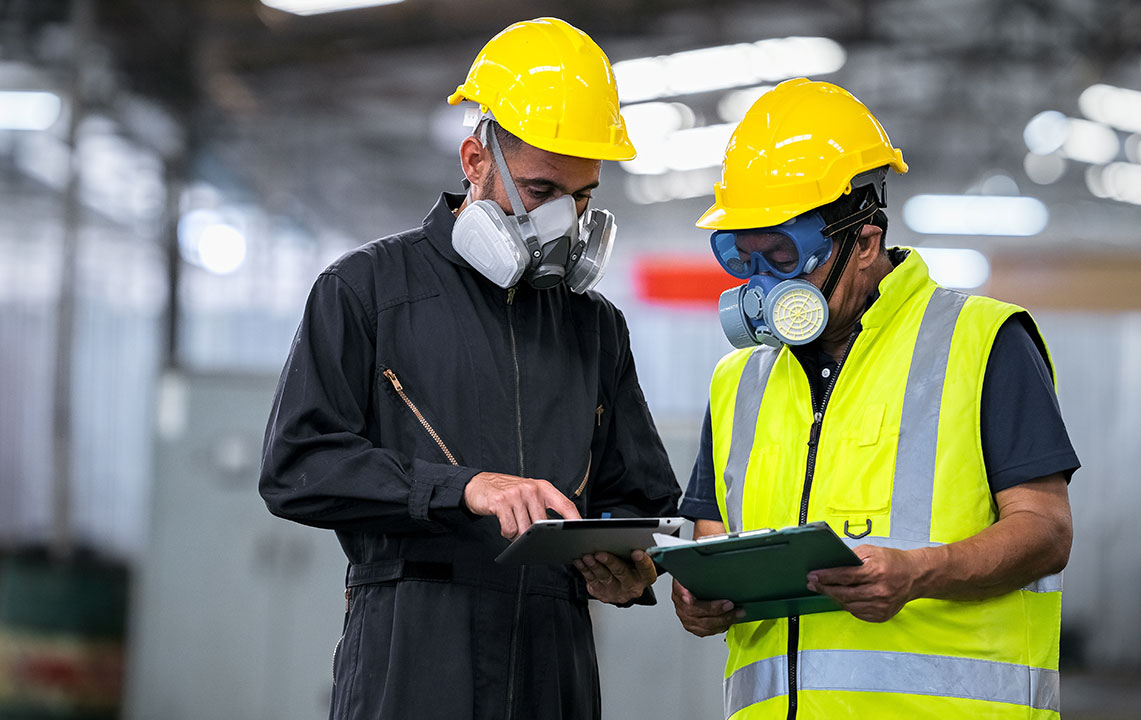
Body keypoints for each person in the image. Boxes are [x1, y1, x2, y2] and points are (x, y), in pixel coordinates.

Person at [259, 17, 682, 720]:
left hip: (554, 666)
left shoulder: (595, 328)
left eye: (582, 200)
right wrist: (461, 489)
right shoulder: (365, 291)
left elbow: (641, 499)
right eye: (542, 193)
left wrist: (632, 570)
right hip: (413, 657)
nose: (565, 225)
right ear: (475, 161)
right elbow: (297, 466)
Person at [670, 78, 1078, 719]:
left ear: (863, 242)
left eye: (783, 258)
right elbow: (712, 536)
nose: (762, 288)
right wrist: (701, 600)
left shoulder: (983, 340)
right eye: (744, 261)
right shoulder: (737, 381)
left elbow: (1045, 531)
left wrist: (920, 571)